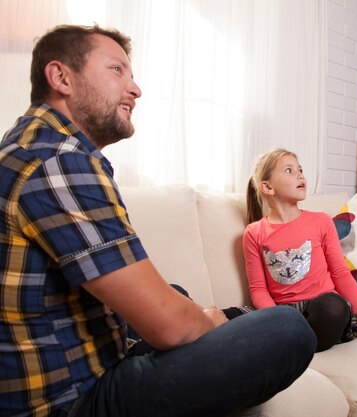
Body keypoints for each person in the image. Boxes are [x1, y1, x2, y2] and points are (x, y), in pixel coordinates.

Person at [0, 25, 316, 417]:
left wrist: (195, 318)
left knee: (178, 293)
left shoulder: (30, 144)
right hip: (70, 401)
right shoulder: (58, 160)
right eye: (117, 70)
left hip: (74, 360)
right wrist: (207, 326)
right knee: (287, 330)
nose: (135, 89)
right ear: (61, 77)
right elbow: (168, 326)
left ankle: (230, 320)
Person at [243, 148, 357, 352]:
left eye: (300, 169)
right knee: (226, 316)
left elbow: (339, 273)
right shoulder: (254, 232)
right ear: (267, 187)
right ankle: (290, 342)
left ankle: (286, 347)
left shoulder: (321, 221)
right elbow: (258, 289)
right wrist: (276, 319)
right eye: (289, 170)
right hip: (282, 313)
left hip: (321, 307)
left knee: (333, 308)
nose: (300, 174)